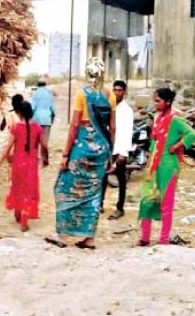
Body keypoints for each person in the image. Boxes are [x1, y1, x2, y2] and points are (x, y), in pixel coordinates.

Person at [45, 57, 116, 250]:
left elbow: (75, 125)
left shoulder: (81, 94)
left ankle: (62, 234)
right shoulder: (110, 96)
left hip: (82, 147)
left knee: (64, 187)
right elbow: (112, 128)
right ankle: (89, 238)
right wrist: (110, 157)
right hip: (101, 150)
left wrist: (66, 154)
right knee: (94, 192)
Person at [137, 87, 195, 246]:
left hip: (169, 165)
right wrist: (149, 162)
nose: (155, 104)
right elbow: (154, 142)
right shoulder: (157, 118)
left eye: (158, 101)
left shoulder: (175, 119)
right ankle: (144, 238)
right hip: (154, 165)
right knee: (146, 199)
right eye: (155, 100)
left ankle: (163, 240)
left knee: (166, 202)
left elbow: (192, 134)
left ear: (168, 101)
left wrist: (178, 145)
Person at [0, 101, 49, 232]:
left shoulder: (16, 128)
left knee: (18, 186)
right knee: (28, 190)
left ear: (19, 113)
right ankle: (24, 220)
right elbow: (44, 145)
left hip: (18, 163)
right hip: (31, 164)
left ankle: (18, 212)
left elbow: (8, 147)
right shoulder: (37, 127)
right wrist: (46, 158)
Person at [102, 80, 133, 220]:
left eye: (120, 90)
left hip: (120, 148)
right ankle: (99, 204)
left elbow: (126, 132)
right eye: (115, 90)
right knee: (103, 176)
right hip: (108, 148)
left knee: (121, 179)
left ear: (125, 93)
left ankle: (120, 208)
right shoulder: (108, 107)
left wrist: (123, 152)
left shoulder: (127, 111)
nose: (117, 93)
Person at [30, 76, 55, 144]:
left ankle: (36, 154)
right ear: (45, 85)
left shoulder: (34, 94)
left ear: (38, 85)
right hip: (47, 119)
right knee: (44, 142)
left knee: (35, 142)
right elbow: (53, 109)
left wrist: (29, 120)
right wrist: (52, 119)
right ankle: (43, 154)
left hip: (36, 120)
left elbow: (32, 108)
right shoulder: (49, 94)